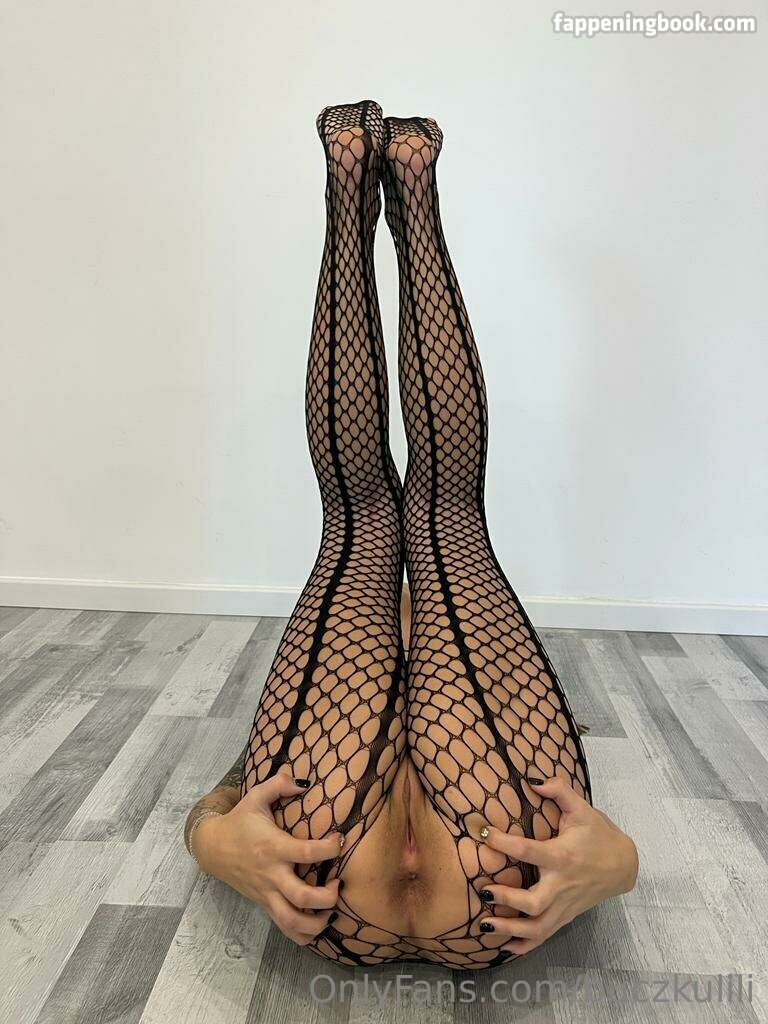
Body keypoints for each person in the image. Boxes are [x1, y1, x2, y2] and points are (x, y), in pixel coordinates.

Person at [184, 101, 638, 970]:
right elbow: (602, 844)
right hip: (494, 886)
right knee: (445, 518)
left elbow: (225, 791)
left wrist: (208, 842)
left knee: (366, 522)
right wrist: (623, 864)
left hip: (329, 893)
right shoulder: (458, 634)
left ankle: (354, 197)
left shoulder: (358, 635)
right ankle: (409, 201)